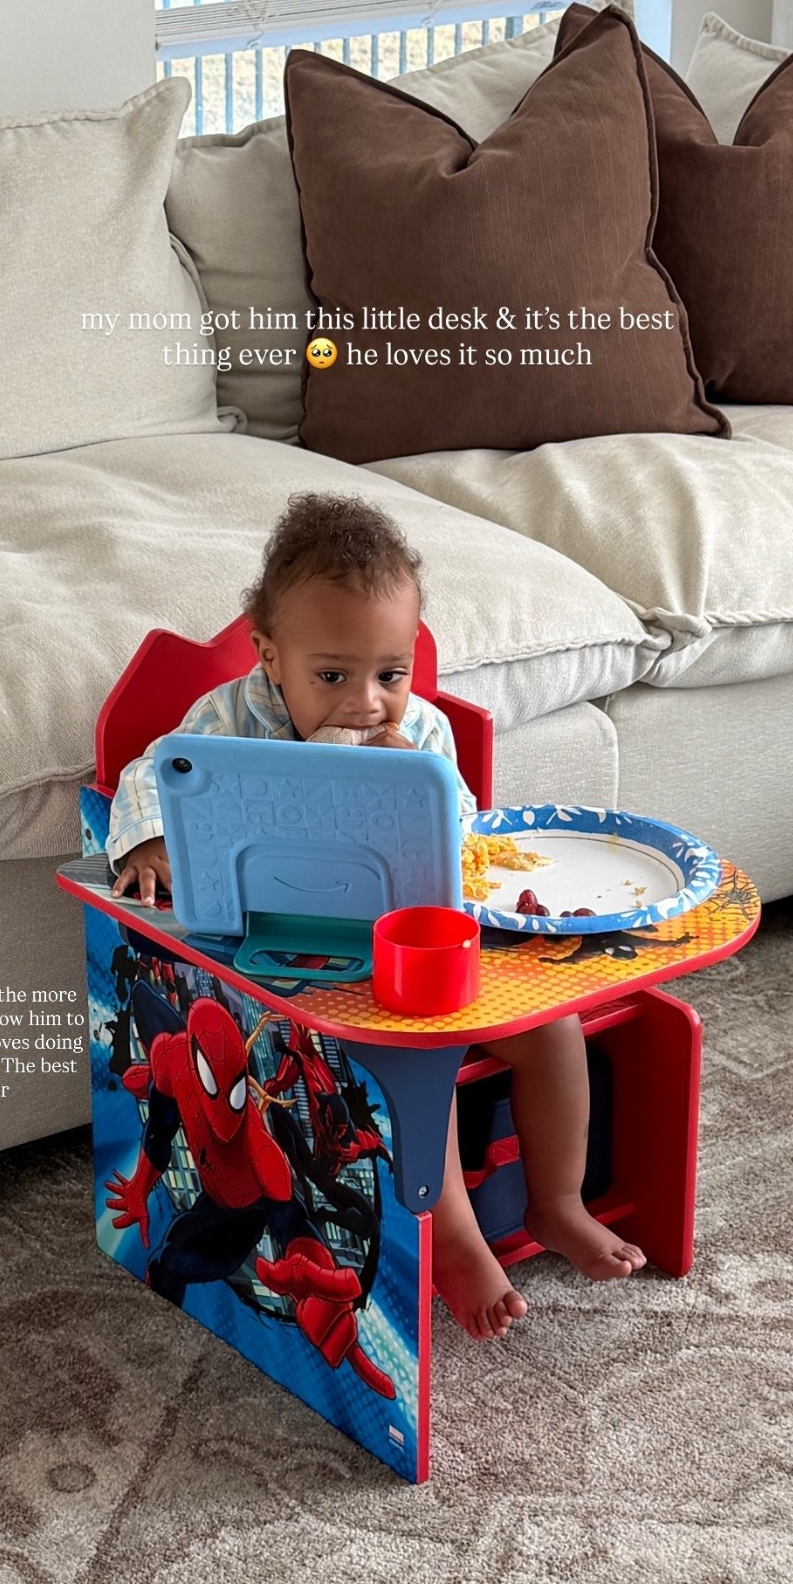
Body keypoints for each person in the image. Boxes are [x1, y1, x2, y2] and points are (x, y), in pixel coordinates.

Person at [107, 492, 645, 1340]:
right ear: (270, 656)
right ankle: (458, 1244)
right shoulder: (229, 721)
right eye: (333, 676)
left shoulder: (420, 733)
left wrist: (414, 790)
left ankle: (557, 1203)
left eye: (389, 674)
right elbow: (154, 773)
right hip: (289, 973)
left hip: (416, 954)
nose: (366, 701)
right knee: (415, 1063)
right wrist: (145, 845)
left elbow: (465, 846)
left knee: (557, 1029)